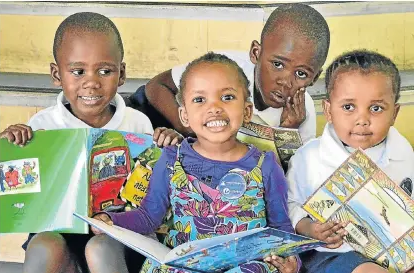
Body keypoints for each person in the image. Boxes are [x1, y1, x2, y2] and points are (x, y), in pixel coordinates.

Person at [0, 12, 182, 273]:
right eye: (78, 71)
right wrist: (10, 147)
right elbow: (20, 194)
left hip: (117, 236)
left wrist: (167, 145)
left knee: (101, 247)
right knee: (42, 246)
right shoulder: (41, 126)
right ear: (56, 74)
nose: (91, 83)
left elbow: (151, 189)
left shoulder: (137, 123)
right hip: (58, 232)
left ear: (121, 74)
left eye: (105, 71)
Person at [93, 52, 300, 273]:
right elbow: (148, 217)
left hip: (243, 267)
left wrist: (292, 262)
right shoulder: (172, 160)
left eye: (227, 97)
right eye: (200, 100)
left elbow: (281, 229)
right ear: (184, 116)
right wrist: (110, 220)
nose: (214, 108)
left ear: (246, 110)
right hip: (185, 266)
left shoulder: (266, 165)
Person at [126, 3, 330, 144]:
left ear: (314, 78)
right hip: (158, 113)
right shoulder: (224, 69)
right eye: (277, 64)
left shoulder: (303, 112)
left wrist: (288, 130)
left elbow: (290, 172)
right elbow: (156, 87)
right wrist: (190, 130)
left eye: (301, 74)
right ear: (255, 53)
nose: (285, 81)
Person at [287, 50, 414, 273]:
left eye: (376, 108)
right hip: (333, 255)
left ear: (394, 113)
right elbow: (289, 205)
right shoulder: (309, 158)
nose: (362, 120)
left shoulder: (403, 153)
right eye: (348, 107)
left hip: (395, 257)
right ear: (328, 110)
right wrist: (310, 228)